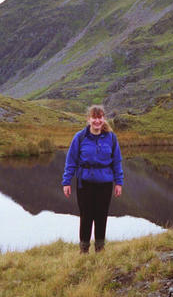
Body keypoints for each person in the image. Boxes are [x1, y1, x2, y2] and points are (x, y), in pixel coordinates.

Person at [62, 104, 123, 253]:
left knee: (101, 216)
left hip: (105, 183)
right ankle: (84, 249)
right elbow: (71, 161)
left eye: (100, 117)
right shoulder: (80, 137)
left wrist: (119, 182)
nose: (97, 121)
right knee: (86, 216)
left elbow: (117, 161)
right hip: (85, 184)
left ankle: (100, 248)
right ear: (88, 119)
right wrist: (66, 181)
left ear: (104, 119)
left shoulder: (111, 138)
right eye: (94, 118)